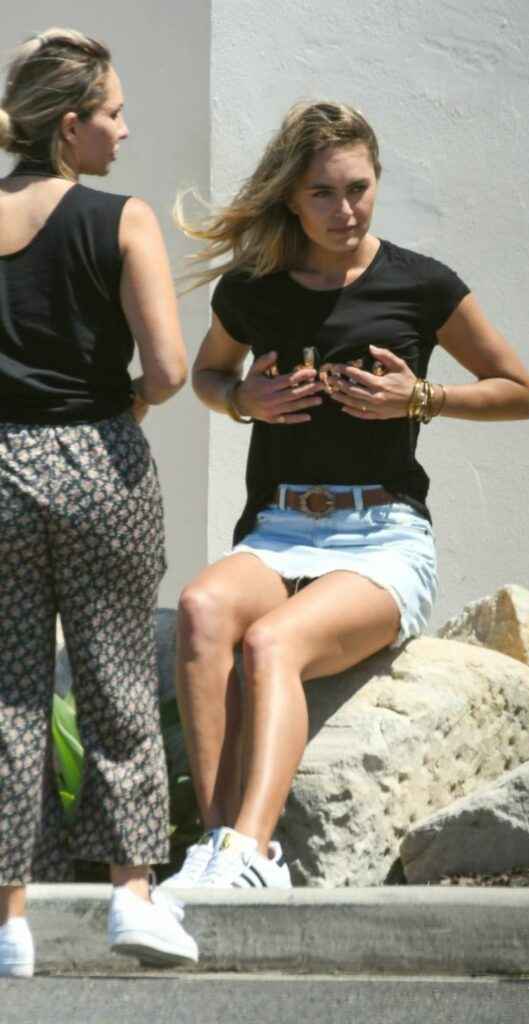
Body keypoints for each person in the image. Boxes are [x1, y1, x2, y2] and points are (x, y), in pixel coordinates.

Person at [166, 101, 529, 891]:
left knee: (272, 645)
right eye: (324, 194)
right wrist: (243, 401)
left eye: (359, 189)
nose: (346, 210)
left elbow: (519, 392)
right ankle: (219, 844)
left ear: (377, 180)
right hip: (278, 526)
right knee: (201, 610)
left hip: (383, 536)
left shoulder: (422, 283)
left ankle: (254, 852)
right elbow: (209, 375)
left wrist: (422, 398)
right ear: (291, 198)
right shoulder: (255, 288)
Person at [0, 28, 198, 975]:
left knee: (7, 694)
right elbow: (167, 367)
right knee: (117, 678)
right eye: (114, 114)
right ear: (71, 126)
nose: (125, 130)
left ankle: (8, 925)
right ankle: (132, 899)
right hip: (100, 466)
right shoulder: (122, 219)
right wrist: (128, 403)